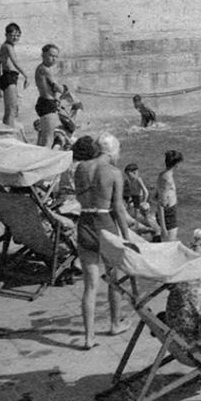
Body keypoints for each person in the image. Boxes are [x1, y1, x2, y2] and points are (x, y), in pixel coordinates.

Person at [72, 133, 133, 347]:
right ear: (111, 151)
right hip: (105, 224)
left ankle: (89, 338)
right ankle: (115, 324)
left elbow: (80, 197)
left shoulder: (80, 168)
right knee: (115, 278)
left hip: (85, 223)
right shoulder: (115, 173)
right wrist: (126, 238)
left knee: (90, 285)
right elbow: (118, 209)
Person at [0, 22, 28, 128]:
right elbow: (14, 62)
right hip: (9, 77)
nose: (15, 38)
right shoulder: (8, 47)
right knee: (12, 109)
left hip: (8, 77)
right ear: (6, 35)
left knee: (10, 109)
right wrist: (26, 75)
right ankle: (8, 134)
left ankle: (4, 131)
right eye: (13, 35)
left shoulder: (5, 47)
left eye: (18, 35)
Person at [33, 43, 65, 147]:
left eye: (56, 56)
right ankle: (45, 161)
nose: (54, 59)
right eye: (51, 55)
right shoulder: (45, 70)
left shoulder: (42, 68)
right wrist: (65, 89)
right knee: (48, 138)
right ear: (43, 55)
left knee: (44, 135)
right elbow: (57, 88)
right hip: (47, 104)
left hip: (45, 102)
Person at [156, 149, 183, 241]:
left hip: (169, 213)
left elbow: (156, 195)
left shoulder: (163, 175)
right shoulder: (167, 180)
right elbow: (160, 204)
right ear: (177, 164)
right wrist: (163, 228)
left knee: (169, 242)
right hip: (168, 216)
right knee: (170, 244)